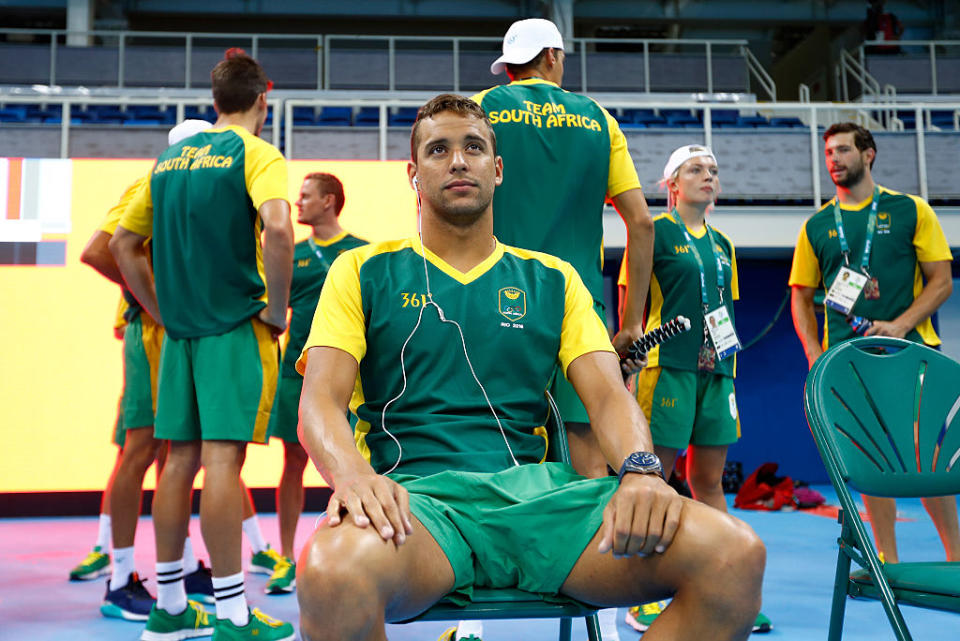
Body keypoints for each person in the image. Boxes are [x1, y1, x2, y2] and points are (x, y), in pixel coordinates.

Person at [293, 93, 765, 641]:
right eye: (438, 149)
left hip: (542, 502)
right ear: (413, 174)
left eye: (473, 147)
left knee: (735, 554)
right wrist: (353, 478)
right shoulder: (363, 270)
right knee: (328, 573)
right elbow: (319, 401)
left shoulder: (553, 278)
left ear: (497, 170)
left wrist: (640, 469)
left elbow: (609, 395)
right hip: (416, 505)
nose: (458, 161)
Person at [470, 22, 654, 638]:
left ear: (519, 64)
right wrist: (630, 323)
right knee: (588, 462)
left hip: (496, 302)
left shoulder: (485, 109)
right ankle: (599, 605)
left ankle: (468, 620)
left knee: (487, 453)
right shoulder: (600, 120)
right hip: (578, 309)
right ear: (555, 57)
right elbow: (641, 223)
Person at [111, 50, 295, 641]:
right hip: (229, 329)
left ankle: (168, 607)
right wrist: (275, 308)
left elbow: (120, 243)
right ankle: (234, 616)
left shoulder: (167, 161)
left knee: (177, 463)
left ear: (215, 101)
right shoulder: (256, 152)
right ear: (261, 103)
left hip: (181, 334)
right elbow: (280, 227)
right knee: (222, 464)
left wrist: (158, 309)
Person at [790, 121, 959, 565]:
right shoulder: (816, 225)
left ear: (869, 154)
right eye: (828, 153)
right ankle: (887, 561)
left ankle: (957, 556)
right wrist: (814, 355)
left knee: (926, 457)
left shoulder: (912, 210)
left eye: (843, 150)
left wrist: (901, 324)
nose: (834, 160)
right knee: (870, 459)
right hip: (846, 363)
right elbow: (801, 297)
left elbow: (941, 282)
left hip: (911, 355)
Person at [616, 145, 769, 633]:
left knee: (708, 481)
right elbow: (630, 300)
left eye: (714, 171)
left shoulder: (723, 244)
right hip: (669, 367)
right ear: (671, 185)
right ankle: (638, 593)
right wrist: (629, 349)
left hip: (718, 368)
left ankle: (729, 590)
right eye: (696, 170)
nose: (708, 176)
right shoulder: (654, 232)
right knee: (655, 481)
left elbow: (723, 309)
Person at [75, 120, 221, 620]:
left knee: (176, 451)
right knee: (142, 447)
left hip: (177, 333)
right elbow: (98, 250)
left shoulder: (184, 190)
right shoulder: (151, 183)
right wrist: (155, 303)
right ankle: (118, 580)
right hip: (154, 334)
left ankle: (176, 565)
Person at [262, 172, 367, 594]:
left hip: (352, 379)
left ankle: (354, 549)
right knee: (291, 465)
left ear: (329, 201)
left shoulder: (362, 253)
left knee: (356, 465)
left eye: (305, 197)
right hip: (296, 374)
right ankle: (286, 558)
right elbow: (272, 309)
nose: (297, 203)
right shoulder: (289, 255)